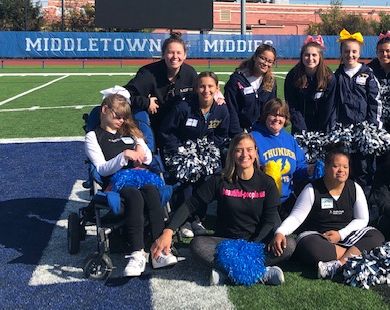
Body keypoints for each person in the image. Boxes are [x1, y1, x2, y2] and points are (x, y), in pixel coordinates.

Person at [151, 133, 295, 286]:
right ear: (232, 153)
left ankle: (228, 273)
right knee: (197, 245)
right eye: (239, 150)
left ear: (255, 152)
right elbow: (191, 204)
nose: (245, 154)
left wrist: (251, 247)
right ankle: (260, 273)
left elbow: (269, 220)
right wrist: (169, 231)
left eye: (249, 149)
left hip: (256, 243)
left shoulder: (267, 182)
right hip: (226, 244)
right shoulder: (220, 179)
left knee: (290, 245)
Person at [85, 90, 177, 277]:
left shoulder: (132, 132)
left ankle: (159, 251)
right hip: (117, 181)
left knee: (152, 191)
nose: (121, 121)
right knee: (134, 195)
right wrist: (124, 156)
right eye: (117, 116)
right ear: (104, 110)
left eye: (124, 117)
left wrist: (140, 148)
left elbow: (149, 158)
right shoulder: (94, 136)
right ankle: (137, 253)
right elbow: (101, 169)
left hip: (142, 176)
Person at [268, 144, 385, 280]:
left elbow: (362, 219)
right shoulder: (312, 189)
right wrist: (280, 232)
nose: (341, 170)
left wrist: (341, 235)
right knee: (312, 248)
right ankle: (356, 255)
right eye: (336, 166)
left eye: (345, 167)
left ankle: (337, 265)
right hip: (318, 237)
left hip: (345, 236)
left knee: (376, 236)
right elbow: (296, 218)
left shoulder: (355, 188)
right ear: (326, 167)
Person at [159, 71, 230, 239]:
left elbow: (222, 134)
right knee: (187, 180)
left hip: (205, 154)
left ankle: (198, 218)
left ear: (216, 88)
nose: (206, 90)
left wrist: (208, 149)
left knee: (205, 180)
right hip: (180, 154)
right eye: (202, 86)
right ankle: (184, 220)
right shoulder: (184, 107)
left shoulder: (221, 110)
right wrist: (181, 151)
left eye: (210, 86)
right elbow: (166, 132)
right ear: (196, 88)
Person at [125, 32, 198, 147]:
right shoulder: (148, 73)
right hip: (154, 123)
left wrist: (217, 97)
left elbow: (201, 92)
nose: (175, 57)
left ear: (185, 55)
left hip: (178, 126)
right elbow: (124, 94)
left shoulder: (190, 73)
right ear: (163, 54)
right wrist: (145, 102)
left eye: (179, 53)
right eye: (170, 52)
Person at [333, 28, 382, 193]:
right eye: (346, 51)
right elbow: (333, 104)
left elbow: (375, 101)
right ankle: (346, 199)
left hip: (363, 132)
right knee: (344, 168)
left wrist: (372, 126)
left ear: (359, 52)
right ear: (341, 52)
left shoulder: (367, 74)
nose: (350, 55)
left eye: (354, 51)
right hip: (343, 131)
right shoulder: (337, 76)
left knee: (363, 168)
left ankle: (365, 202)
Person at [251, 98, 314, 218]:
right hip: (262, 200)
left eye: (282, 116)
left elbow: (298, 167)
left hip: (286, 198)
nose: (277, 119)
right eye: (273, 114)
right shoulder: (254, 138)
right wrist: (262, 169)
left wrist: (308, 170)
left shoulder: (289, 139)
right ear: (265, 116)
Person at [284, 35, 336, 134]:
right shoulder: (293, 76)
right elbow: (292, 105)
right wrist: (301, 128)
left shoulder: (329, 77)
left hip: (322, 128)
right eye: (307, 55)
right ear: (302, 56)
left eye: (314, 55)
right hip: (300, 128)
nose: (310, 58)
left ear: (320, 57)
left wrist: (321, 130)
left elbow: (328, 107)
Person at [224, 44, 278, 136]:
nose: (265, 63)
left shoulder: (271, 82)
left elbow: (270, 110)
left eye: (270, 61)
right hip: (239, 132)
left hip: (261, 132)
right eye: (263, 58)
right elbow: (231, 109)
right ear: (255, 57)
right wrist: (237, 133)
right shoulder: (236, 80)